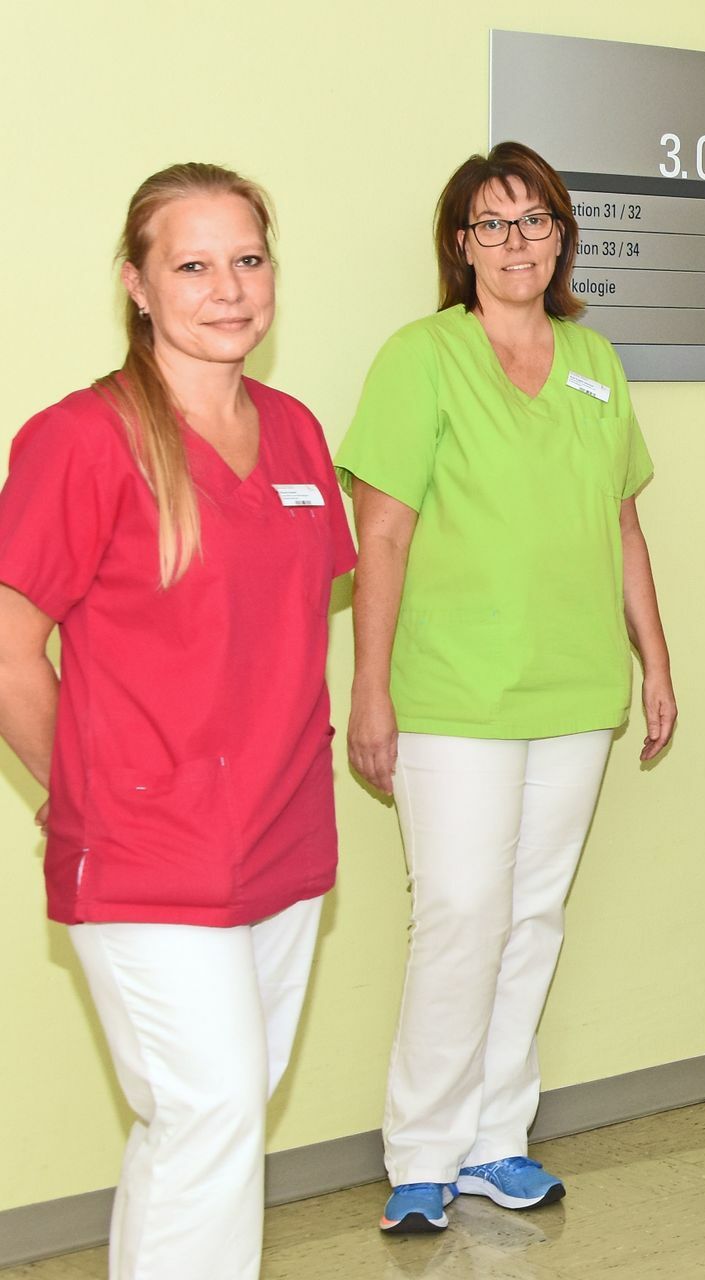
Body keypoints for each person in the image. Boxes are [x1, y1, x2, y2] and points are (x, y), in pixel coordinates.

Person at [0, 163, 352, 1278]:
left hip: (283, 835)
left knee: (215, 1120)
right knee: (210, 1115)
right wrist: (85, 792)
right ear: (137, 284)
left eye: (248, 259)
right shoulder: (80, 439)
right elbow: (7, 648)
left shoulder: (295, 432)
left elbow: (279, 628)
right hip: (149, 850)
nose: (228, 289)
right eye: (193, 265)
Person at [338, 142, 677, 1234]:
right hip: (453, 695)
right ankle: (421, 1152)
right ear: (462, 245)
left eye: (535, 220)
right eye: (493, 223)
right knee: (459, 914)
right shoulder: (421, 357)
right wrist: (371, 690)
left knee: (532, 918)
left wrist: (655, 659)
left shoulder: (593, 360)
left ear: (561, 236)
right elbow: (381, 537)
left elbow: (623, 525)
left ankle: (495, 1137)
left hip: (575, 692)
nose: (517, 240)